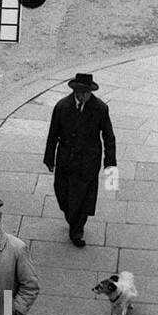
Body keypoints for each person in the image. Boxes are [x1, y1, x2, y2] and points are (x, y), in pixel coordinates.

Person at [43, 73, 117, 247]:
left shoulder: (100, 108)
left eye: (87, 92)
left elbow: (109, 136)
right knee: (62, 192)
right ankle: (72, 218)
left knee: (82, 196)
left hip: (88, 161)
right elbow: (53, 133)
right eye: (81, 92)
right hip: (65, 158)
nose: (84, 96)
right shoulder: (62, 106)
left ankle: (77, 231)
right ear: (75, 91)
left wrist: (110, 163)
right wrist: (49, 159)